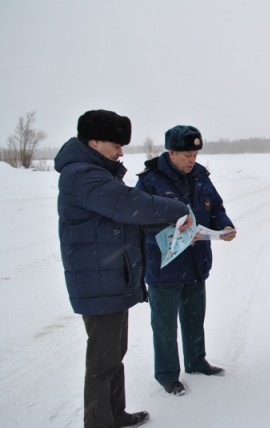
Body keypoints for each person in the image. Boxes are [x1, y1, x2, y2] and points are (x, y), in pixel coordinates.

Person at [55, 109, 193, 428]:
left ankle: (115, 414)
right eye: (116, 144)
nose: (121, 151)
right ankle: (99, 422)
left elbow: (126, 217)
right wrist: (177, 211)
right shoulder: (82, 174)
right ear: (95, 141)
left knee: (114, 355)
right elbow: (129, 204)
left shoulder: (97, 172)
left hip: (112, 277)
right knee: (102, 362)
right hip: (98, 281)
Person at [136, 125, 236, 396]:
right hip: (164, 266)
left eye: (195, 154)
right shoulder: (149, 181)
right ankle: (168, 375)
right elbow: (138, 221)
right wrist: (173, 235)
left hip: (195, 263)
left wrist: (224, 226)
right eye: (187, 155)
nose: (193, 160)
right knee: (165, 326)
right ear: (171, 153)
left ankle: (196, 362)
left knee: (194, 318)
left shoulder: (201, 176)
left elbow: (215, 207)